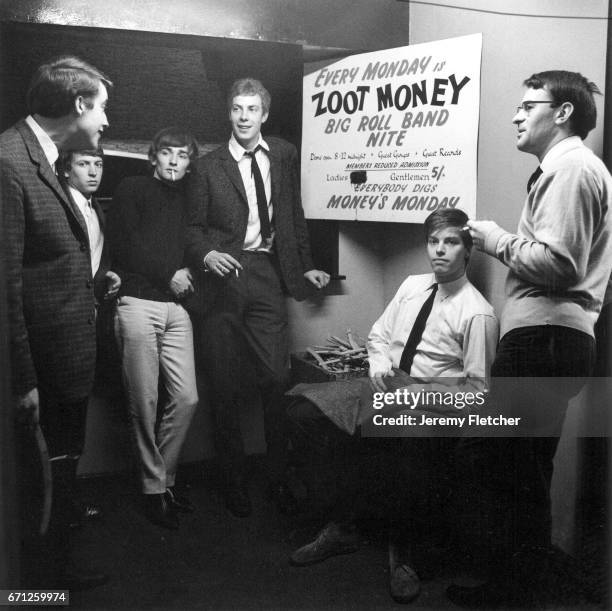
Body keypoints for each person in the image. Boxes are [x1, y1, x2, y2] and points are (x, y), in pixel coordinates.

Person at [446, 71, 612, 608]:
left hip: (544, 337)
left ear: (562, 113)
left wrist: (495, 240)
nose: (516, 116)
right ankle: (519, 587)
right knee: (518, 467)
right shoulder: (564, 171)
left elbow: (561, 266)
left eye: (527, 106)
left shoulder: (572, 170)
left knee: (510, 467)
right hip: (548, 338)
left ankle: (513, 592)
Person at [286, 208, 499, 604]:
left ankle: (403, 555)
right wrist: (381, 363)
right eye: (433, 241)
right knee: (305, 416)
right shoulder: (412, 285)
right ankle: (343, 524)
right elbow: (379, 335)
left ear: (468, 251)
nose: (439, 250)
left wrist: (417, 394)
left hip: (428, 401)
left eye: (451, 242)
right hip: (383, 383)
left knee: (405, 441)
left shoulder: (477, 313)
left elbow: (476, 392)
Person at [186, 78, 330, 518]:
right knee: (225, 386)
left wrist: (303, 263)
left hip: (268, 273)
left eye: (252, 109)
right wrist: (207, 254)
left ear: (264, 114)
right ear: (229, 114)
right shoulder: (209, 165)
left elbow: (293, 216)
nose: (244, 116)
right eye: (237, 109)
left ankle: (278, 478)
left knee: (274, 379)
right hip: (222, 281)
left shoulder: (283, 154)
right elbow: (190, 229)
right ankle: (232, 482)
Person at [0, 55, 112, 589]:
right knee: (35, 490)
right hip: (37, 370)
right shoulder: (8, 163)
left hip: (64, 360)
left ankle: (57, 575)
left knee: (61, 473)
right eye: (102, 108)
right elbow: (5, 287)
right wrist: (21, 380)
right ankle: (37, 591)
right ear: (78, 105)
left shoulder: (43, 156)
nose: (107, 122)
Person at [108, 127, 200, 530]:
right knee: (143, 401)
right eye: (167, 153)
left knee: (187, 399)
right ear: (153, 157)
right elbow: (125, 245)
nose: (174, 161)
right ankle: (154, 490)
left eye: (182, 155)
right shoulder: (132, 188)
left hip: (177, 308)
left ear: (189, 162)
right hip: (137, 302)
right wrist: (169, 273)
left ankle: (161, 482)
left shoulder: (192, 199)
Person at [57, 147, 121, 526]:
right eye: (84, 164)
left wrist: (107, 276)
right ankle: (57, 509)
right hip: (63, 324)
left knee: (75, 417)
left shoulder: (95, 207)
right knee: (61, 419)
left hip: (91, 319)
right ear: (66, 171)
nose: (94, 171)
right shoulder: (62, 206)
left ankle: (67, 504)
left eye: (98, 164)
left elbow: (95, 259)